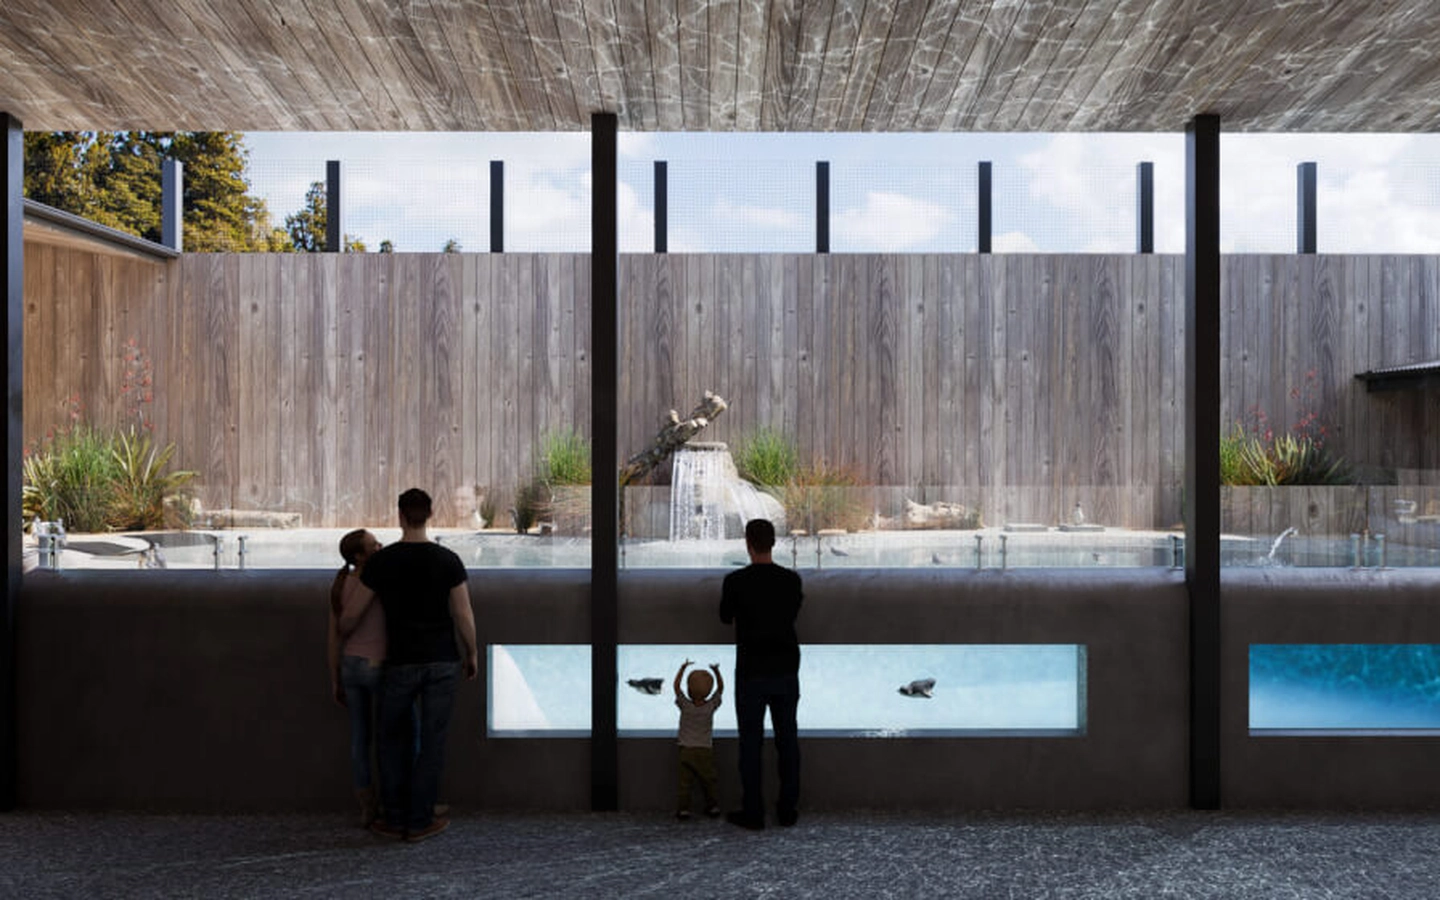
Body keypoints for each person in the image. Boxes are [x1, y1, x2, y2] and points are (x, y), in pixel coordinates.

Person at [340, 488, 478, 843]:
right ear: (430, 514)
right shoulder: (448, 560)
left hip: (399, 662)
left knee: (390, 740)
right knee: (432, 742)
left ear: (400, 515)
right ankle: (419, 821)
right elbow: (462, 613)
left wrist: (340, 632)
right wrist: (472, 653)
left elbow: (353, 614)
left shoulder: (383, 563)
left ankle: (393, 817)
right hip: (442, 660)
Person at [719, 518, 803, 830]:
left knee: (750, 745)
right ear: (774, 543)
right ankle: (787, 810)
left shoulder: (735, 581)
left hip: (751, 670)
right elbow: (792, 613)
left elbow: (725, 616)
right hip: (784, 668)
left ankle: (753, 812)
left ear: (748, 544)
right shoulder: (791, 581)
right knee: (788, 741)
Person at [327, 528, 385, 826]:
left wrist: (335, 677)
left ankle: (366, 804)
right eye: (374, 544)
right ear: (360, 555)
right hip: (378, 665)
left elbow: (334, 637)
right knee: (389, 736)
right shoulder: (378, 584)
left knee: (359, 739)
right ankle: (392, 801)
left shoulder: (340, 585)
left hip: (350, 666)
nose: (380, 546)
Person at [673, 659, 724, 821]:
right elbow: (721, 690)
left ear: (688, 689)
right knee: (709, 781)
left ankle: (683, 810)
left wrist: (682, 668)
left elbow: (676, 688)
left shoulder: (685, 706)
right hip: (705, 750)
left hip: (686, 750)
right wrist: (716, 671)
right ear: (709, 691)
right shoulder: (710, 707)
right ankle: (713, 807)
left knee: (684, 783)